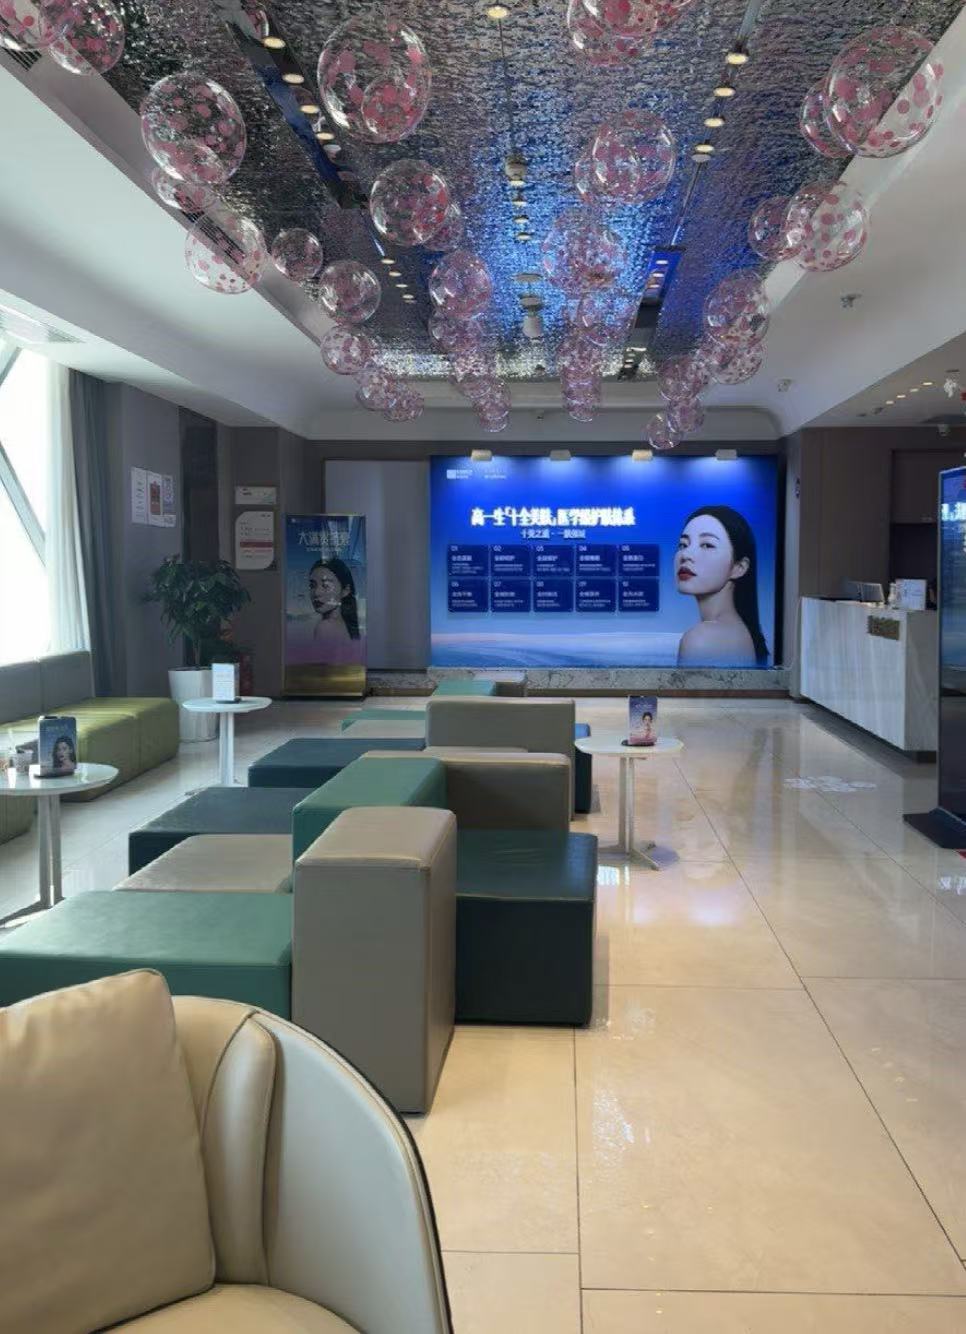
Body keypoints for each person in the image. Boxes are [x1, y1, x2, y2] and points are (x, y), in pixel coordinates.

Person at [674, 505, 768, 667]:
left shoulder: (701, 639)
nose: (685, 555)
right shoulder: (740, 631)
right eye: (683, 545)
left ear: (739, 567)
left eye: (707, 545)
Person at [286, 557, 364, 667]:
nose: (316, 593)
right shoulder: (348, 625)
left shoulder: (324, 627)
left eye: (326, 586)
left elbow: (321, 671)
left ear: (345, 590)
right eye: (312, 585)